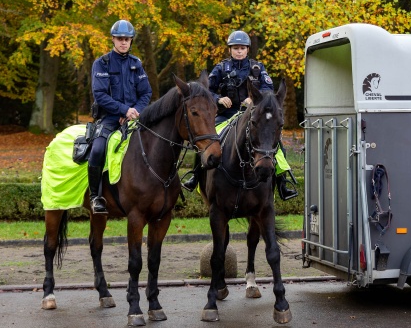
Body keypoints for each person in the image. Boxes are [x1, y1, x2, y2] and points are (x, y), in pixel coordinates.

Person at [181, 30, 298, 200]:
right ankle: (196, 176)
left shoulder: (258, 68)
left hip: (253, 117)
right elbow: (205, 91)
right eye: (235, 48)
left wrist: (255, 100)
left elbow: (268, 91)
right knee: (208, 142)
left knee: (278, 146)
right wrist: (219, 99)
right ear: (230, 49)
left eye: (242, 48)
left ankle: (282, 183)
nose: (239, 51)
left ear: (247, 49)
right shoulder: (221, 68)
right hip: (226, 116)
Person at [88, 20, 152, 214]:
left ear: (131, 40)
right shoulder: (102, 63)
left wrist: (134, 112)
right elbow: (99, 95)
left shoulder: (136, 64)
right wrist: (124, 110)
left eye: (127, 39)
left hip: (134, 119)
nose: (124, 42)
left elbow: (146, 93)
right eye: (120, 39)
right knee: (98, 149)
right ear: (113, 39)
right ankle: (95, 197)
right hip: (109, 119)